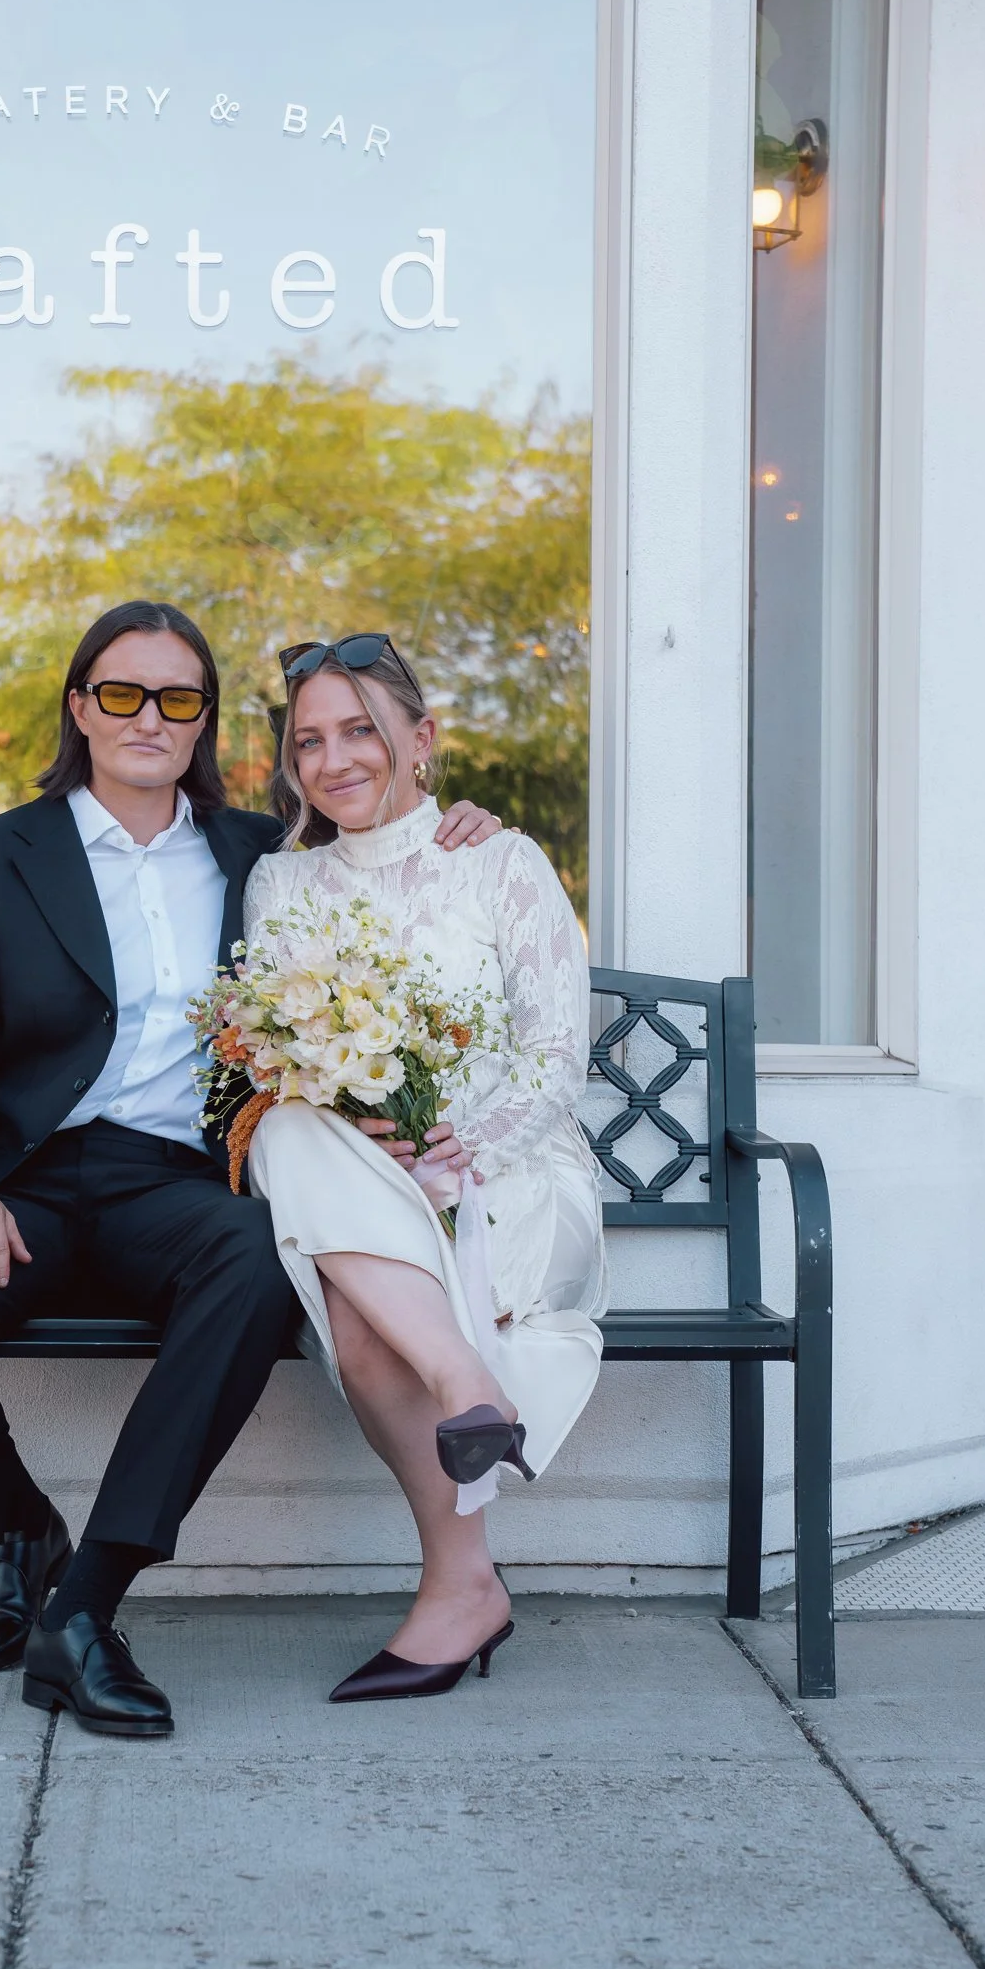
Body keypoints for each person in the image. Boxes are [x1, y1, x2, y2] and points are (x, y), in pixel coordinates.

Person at [0, 600, 502, 1739]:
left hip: (180, 1186)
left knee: (255, 1266)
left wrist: (455, 826)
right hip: (26, 1184)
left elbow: (386, 864)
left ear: (202, 724)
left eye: (179, 698)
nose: (151, 716)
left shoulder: (266, 858)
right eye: (124, 693)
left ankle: (85, 1603)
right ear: (80, 707)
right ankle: (14, 1527)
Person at [242, 634, 606, 1704]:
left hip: (509, 1172)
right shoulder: (280, 881)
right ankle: (467, 1399)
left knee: (358, 1309)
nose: (333, 758)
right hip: (350, 1174)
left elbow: (554, 1057)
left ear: (421, 739)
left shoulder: (498, 860)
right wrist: (375, 1134)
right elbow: (278, 1051)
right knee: (284, 1121)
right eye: (308, 740)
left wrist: (465, 1146)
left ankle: (458, 1585)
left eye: (359, 729)